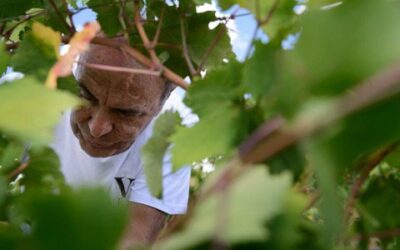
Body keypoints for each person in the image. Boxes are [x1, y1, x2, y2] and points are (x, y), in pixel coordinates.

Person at [51, 38, 191, 249]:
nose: (96, 129)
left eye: (126, 112)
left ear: (160, 104)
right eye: (86, 95)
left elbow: (136, 238)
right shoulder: (32, 96)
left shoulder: (170, 139)